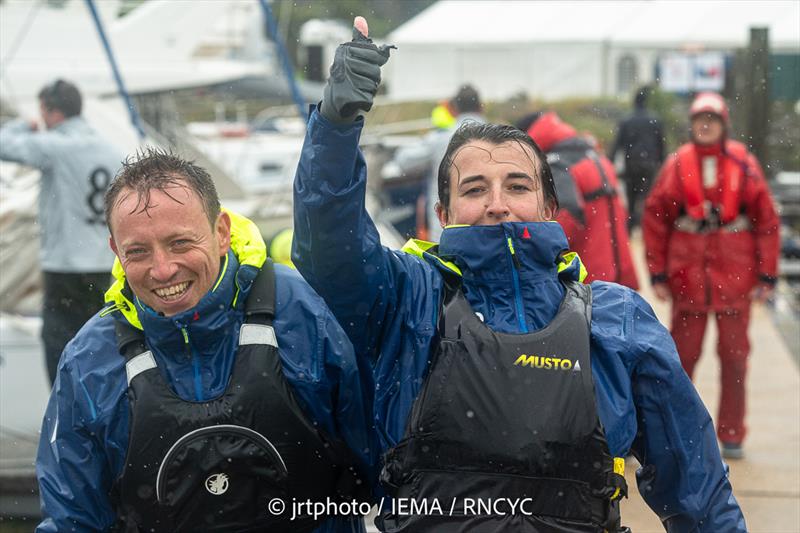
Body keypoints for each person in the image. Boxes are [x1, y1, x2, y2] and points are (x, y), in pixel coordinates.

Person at [292, 17, 746, 532]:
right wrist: (335, 123)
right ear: (444, 212)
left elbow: (697, 487)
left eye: (516, 185)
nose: (497, 205)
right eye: (474, 189)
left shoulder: (617, 321)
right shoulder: (407, 301)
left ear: (549, 206)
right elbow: (327, 245)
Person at [35, 148, 377, 532]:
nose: (163, 270)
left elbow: (379, 461)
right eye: (138, 252)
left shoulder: (305, 314)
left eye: (180, 243)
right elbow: (71, 518)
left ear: (221, 233)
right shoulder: (88, 360)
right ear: (116, 250)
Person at [643, 91, 780, 460]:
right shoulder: (677, 165)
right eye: (699, 119)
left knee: (735, 358)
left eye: (712, 119)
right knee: (681, 358)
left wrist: (767, 275)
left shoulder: (743, 162)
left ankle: (732, 432)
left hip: (735, 277)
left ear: (723, 124)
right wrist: (657, 272)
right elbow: (656, 217)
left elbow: (767, 222)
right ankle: (679, 428)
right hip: (688, 278)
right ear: (691, 124)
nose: (705, 125)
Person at [0, 79, 124, 384]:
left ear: (51, 111)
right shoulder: (111, 149)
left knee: (59, 345)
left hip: (65, 266)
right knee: (99, 340)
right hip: (102, 264)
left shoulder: (55, 146)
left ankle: (65, 411)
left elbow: (3, 143)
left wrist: (23, 125)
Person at [516, 111, 639, 288]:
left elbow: (565, 218)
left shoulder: (557, 164)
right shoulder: (593, 154)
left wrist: (532, 254)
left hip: (587, 277)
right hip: (618, 271)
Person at [426, 83, 486, 241]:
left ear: (453, 109)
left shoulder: (438, 139)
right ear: (481, 107)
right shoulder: (506, 139)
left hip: (446, 233)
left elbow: (404, 161)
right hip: (494, 234)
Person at [609, 86, 665, 231]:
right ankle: (643, 225)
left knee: (631, 198)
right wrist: (663, 165)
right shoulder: (655, 120)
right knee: (646, 197)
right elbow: (661, 145)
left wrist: (609, 164)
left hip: (631, 164)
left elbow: (617, 145)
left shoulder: (626, 121)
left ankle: (630, 227)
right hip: (650, 165)